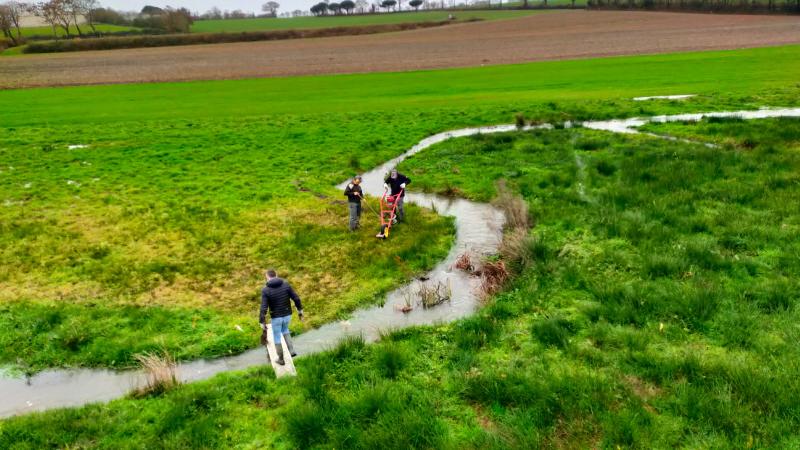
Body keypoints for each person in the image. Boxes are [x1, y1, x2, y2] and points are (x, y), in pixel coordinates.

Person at [259, 269, 303, 365]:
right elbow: (296, 298)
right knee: (285, 330)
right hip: (288, 315)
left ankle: (281, 359)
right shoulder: (286, 285)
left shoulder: (265, 290)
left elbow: (264, 307)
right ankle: (291, 351)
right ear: (276, 275)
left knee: (277, 337)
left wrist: (262, 321)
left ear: (267, 277)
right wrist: (300, 311)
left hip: (276, 317)